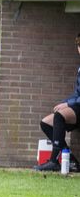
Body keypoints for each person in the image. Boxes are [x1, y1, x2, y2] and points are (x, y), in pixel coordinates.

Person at [34, 33, 80, 171]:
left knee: (60, 116)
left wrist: (68, 105)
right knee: (46, 123)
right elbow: (77, 93)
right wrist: (65, 102)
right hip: (77, 105)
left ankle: (54, 161)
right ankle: (71, 160)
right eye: (79, 45)